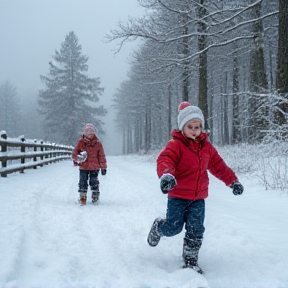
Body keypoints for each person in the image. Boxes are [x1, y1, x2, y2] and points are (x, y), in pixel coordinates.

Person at [147, 102, 244, 274]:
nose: (194, 130)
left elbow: (218, 166)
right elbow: (165, 160)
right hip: (177, 196)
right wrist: (167, 175)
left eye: (197, 126)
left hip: (198, 199)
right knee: (173, 228)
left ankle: (191, 260)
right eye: (190, 126)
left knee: (196, 229)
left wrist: (233, 181)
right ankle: (158, 228)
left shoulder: (206, 147)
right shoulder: (176, 145)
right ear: (182, 128)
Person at [73, 123, 107, 205]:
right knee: (82, 182)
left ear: (94, 133)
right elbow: (75, 153)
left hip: (94, 167)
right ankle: (83, 197)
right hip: (83, 167)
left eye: (92, 132)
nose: (90, 134)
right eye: (88, 132)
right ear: (84, 133)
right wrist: (77, 159)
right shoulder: (81, 142)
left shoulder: (98, 144)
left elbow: (101, 156)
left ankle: (95, 196)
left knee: (94, 181)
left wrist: (103, 167)